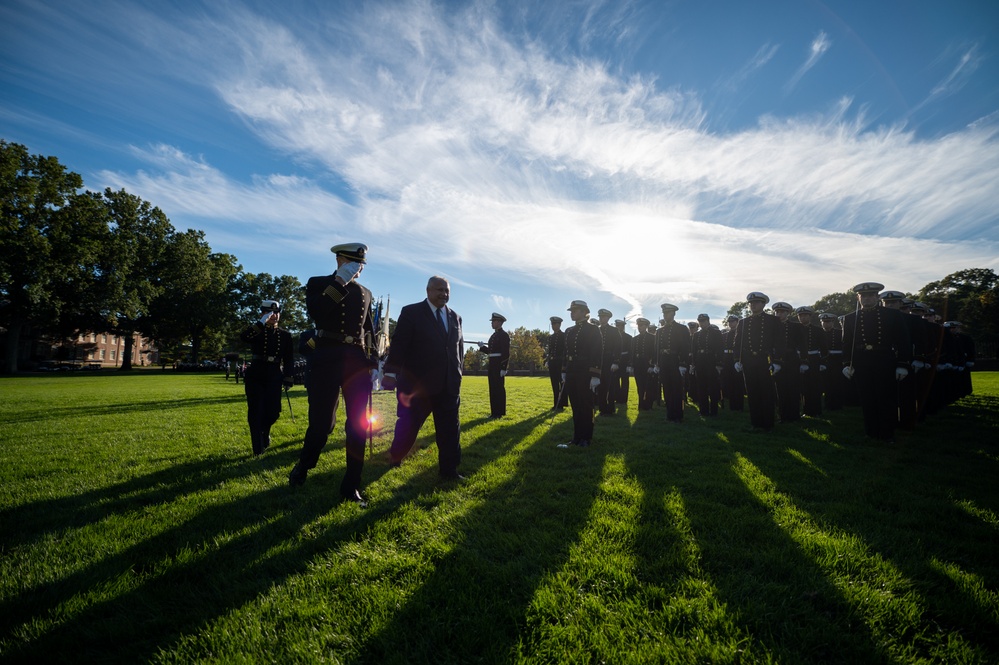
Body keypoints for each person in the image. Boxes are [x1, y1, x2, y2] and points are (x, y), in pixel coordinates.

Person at [288, 242, 376, 507]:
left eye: (361, 265)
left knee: (358, 424)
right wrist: (340, 281)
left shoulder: (366, 293)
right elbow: (317, 311)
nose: (358, 269)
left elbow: (369, 330)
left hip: (356, 362)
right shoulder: (319, 283)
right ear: (339, 260)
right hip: (326, 358)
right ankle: (304, 465)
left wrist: (373, 361)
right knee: (322, 424)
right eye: (352, 263)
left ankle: (351, 484)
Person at [381, 276, 465, 480]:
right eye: (439, 290)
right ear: (427, 290)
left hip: (448, 385)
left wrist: (458, 372)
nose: (444, 294)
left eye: (446, 291)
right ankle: (396, 456)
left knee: (449, 431)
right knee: (409, 426)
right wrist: (391, 373)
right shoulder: (411, 313)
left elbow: (458, 349)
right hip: (418, 385)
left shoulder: (456, 317)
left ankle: (449, 470)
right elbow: (400, 344)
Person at [842, 282, 911, 443]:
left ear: (877, 297)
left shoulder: (892, 315)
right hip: (861, 362)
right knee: (867, 398)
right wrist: (846, 364)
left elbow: (903, 341)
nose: (866, 298)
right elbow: (846, 344)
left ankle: (887, 433)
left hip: (884, 360)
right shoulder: (850, 318)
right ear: (858, 298)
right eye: (863, 296)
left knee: (886, 398)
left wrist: (903, 364)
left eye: (870, 295)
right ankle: (871, 432)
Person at [240, 300, 294, 456]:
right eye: (270, 313)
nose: (274, 316)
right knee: (256, 411)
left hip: (274, 374)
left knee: (273, 411)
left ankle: (265, 432)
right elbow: (245, 337)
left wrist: (289, 376)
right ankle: (258, 447)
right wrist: (261, 323)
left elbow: (289, 358)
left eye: (276, 313)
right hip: (256, 374)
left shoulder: (285, 335)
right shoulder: (257, 331)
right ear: (262, 314)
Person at [733, 292, 783, 432]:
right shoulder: (743, 322)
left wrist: (778, 361)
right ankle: (755, 422)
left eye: (756, 302)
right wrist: (737, 360)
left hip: (764, 360)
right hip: (748, 361)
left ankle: (768, 423)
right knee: (752, 392)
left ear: (763, 304)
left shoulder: (772, 320)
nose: (753, 305)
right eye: (751, 303)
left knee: (766, 393)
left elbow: (779, 342)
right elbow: (737, 343)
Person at [560, 300, 603, 447]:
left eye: (575, 310)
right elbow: (566, 352)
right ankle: (576, 436)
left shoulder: (593, 329)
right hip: (572, 370)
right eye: (571, 310)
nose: (572, 313)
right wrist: (564, 370)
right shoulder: (569, 331)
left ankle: (586, 437)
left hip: (585, 370)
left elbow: (597, 352)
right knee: (575, 405)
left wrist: (596, 374)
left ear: (584, 312)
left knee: (586, 405)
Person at [655, 303, 691, 423]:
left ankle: (678, 415)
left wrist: (683, 364)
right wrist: (657, 363)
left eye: (668, 313)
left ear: (674, 313)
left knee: (677, 389)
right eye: (664, 313)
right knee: (667, 389)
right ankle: (669, 414)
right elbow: (657, 349)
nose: (666, 315)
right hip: (664, 362)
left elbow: (686, 347)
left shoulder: (681, 329)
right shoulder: (660, 331)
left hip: (676, 361)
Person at [771, 301, 803, 423]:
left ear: (787, 313)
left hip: (791, 359)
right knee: (780, 388)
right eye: (777, 312)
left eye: (782, 312)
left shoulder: (795, 326)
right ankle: (783, 415)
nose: (779, 314)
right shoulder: (771, 327)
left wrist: (804, 361)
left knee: (793, 388)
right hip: (776, 359)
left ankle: (794, 415)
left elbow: (802, 344)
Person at [795, 306, 827, 417]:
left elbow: (824, 348)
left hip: (813, 359)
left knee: (814, 386)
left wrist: (822, 362)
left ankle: (816, 411)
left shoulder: (817, 330)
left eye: (805, 315)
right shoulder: (795, 329)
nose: (802, 317)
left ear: (810, 316)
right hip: (798, 359)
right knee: (802, 386)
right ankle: (805, 410)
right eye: (800, 315)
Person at [690, 313, 723, 416]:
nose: (702, 323)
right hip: (700, 361)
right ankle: (703, 410)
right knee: (701, 387)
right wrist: (693, 364)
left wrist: (719, 363)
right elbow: (694, 350)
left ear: (708, 321)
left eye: (704, 321)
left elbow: (720, 348)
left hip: (711, 360)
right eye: (700, 321)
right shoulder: (697, 335)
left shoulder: (716, 333)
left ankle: (713, 410)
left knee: (713, 386)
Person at [478, 313, 510, 419]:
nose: (492, 323)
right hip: (492, 364)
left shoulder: (504, 335)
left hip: (498, 365)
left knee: (499, 388)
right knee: (492, 388)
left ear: (499, 322)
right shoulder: (493, 336)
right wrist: (482, 347)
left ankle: (499, 412)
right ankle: (494, 412)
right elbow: (491, 352)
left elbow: (506, 353)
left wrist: (503, 368)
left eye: (493, 321)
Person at [596, 309, 622, 416]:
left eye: (604, 317)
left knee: (610, 386)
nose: (601, 319)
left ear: (608, 318)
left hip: (610, 360)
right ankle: (602, 408)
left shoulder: (614, 330)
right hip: (599, 360)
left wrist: (616, 361)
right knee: (600, 386)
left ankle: (611, 408)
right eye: (600, 317)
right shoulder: (596, 330)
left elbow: (618, 346)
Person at [819, 313, 846, 410]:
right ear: (821, 323)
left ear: (832, 322)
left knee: (837, 383)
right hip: (825, 360)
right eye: (824, 322)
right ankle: (828, 404)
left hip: (837, 360)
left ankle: (838, 404)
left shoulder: (839, 332)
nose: (826, 324)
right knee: (826, 384)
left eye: (828, 322)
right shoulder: (819, 333)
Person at [631, 317, 657, 410]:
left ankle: (648, 405)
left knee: (648, 386)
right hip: (638, 364)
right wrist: (632, 365)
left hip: (647, 364)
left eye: (642, 325)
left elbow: (654, 352)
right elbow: (632, 353)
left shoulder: (652, 338)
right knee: (639, 385)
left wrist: (652, 365)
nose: (639, 327)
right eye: (638, 325)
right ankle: (641, 404)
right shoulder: (635, 339)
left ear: (646, 326)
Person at [720, 314, 744, 411]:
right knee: (728, 381)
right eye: (729, 322)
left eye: (733, 321)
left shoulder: (741, 334)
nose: (731, 323)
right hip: (727, 359)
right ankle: (732, 404)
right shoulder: (725, 334)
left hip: (736, 358)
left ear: (737, 322)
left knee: (738, 382)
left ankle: (739, 404)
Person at [546, 316, 567, 410]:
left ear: (559, 324)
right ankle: (556, 404)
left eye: (555, 324)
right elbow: (550, 350)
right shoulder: (551, 337)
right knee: (554, 383)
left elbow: (565, 350)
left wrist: (564, 363)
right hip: (553, 362)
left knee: (561, 383)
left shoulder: (564, 336)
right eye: (552, 324)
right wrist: (548, 360)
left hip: (560, 362)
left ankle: (561, 403)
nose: (553, 326)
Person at [614, 319, 633, 406]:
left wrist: (629, 364)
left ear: (623, 327)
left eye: (621, 326)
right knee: (615, 380)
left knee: (625, 380)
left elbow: (631, 351)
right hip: (615, 361)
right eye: (617, 326)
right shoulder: (613, 337)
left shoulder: (628, 337)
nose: (619, 327)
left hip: (625, 360)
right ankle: (617, 398)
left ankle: (624, 399)